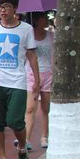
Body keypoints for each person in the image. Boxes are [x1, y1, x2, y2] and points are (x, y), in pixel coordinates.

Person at [0, 0, 39, 159]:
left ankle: (22, 146)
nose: (2, 10)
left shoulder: (26, 29)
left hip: (18, 82)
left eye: (6, 6)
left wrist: (37, 80)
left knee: (15, 121)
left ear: (15, 8)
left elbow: (31, 55)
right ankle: (2, 158)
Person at [24, 12, 53, 150]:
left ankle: (44, 136)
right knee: (30, 108)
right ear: (36, 20)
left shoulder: (51, 36)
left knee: (45, 108)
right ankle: (26, 139)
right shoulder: (28, 35)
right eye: (43, 18)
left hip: (48, 73)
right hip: (31, 74)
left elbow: (55, 55)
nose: (46, 20)